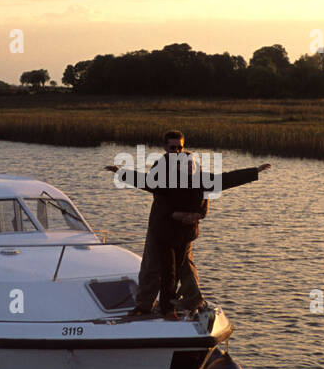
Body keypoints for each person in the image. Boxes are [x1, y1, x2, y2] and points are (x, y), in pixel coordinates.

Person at [105, 130, 271, 319]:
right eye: (172, 147)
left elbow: (222, 180)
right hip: (161, 227)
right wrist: (121, 173)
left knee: (186, 268)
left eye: (179, 147)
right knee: (152, 266)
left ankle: (192, 302)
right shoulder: (160, 169)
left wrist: (253, 172)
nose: (176, 151)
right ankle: (145, 306)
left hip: (185, 229)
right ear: (165, 148)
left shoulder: (192, 166)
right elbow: (145, 182)